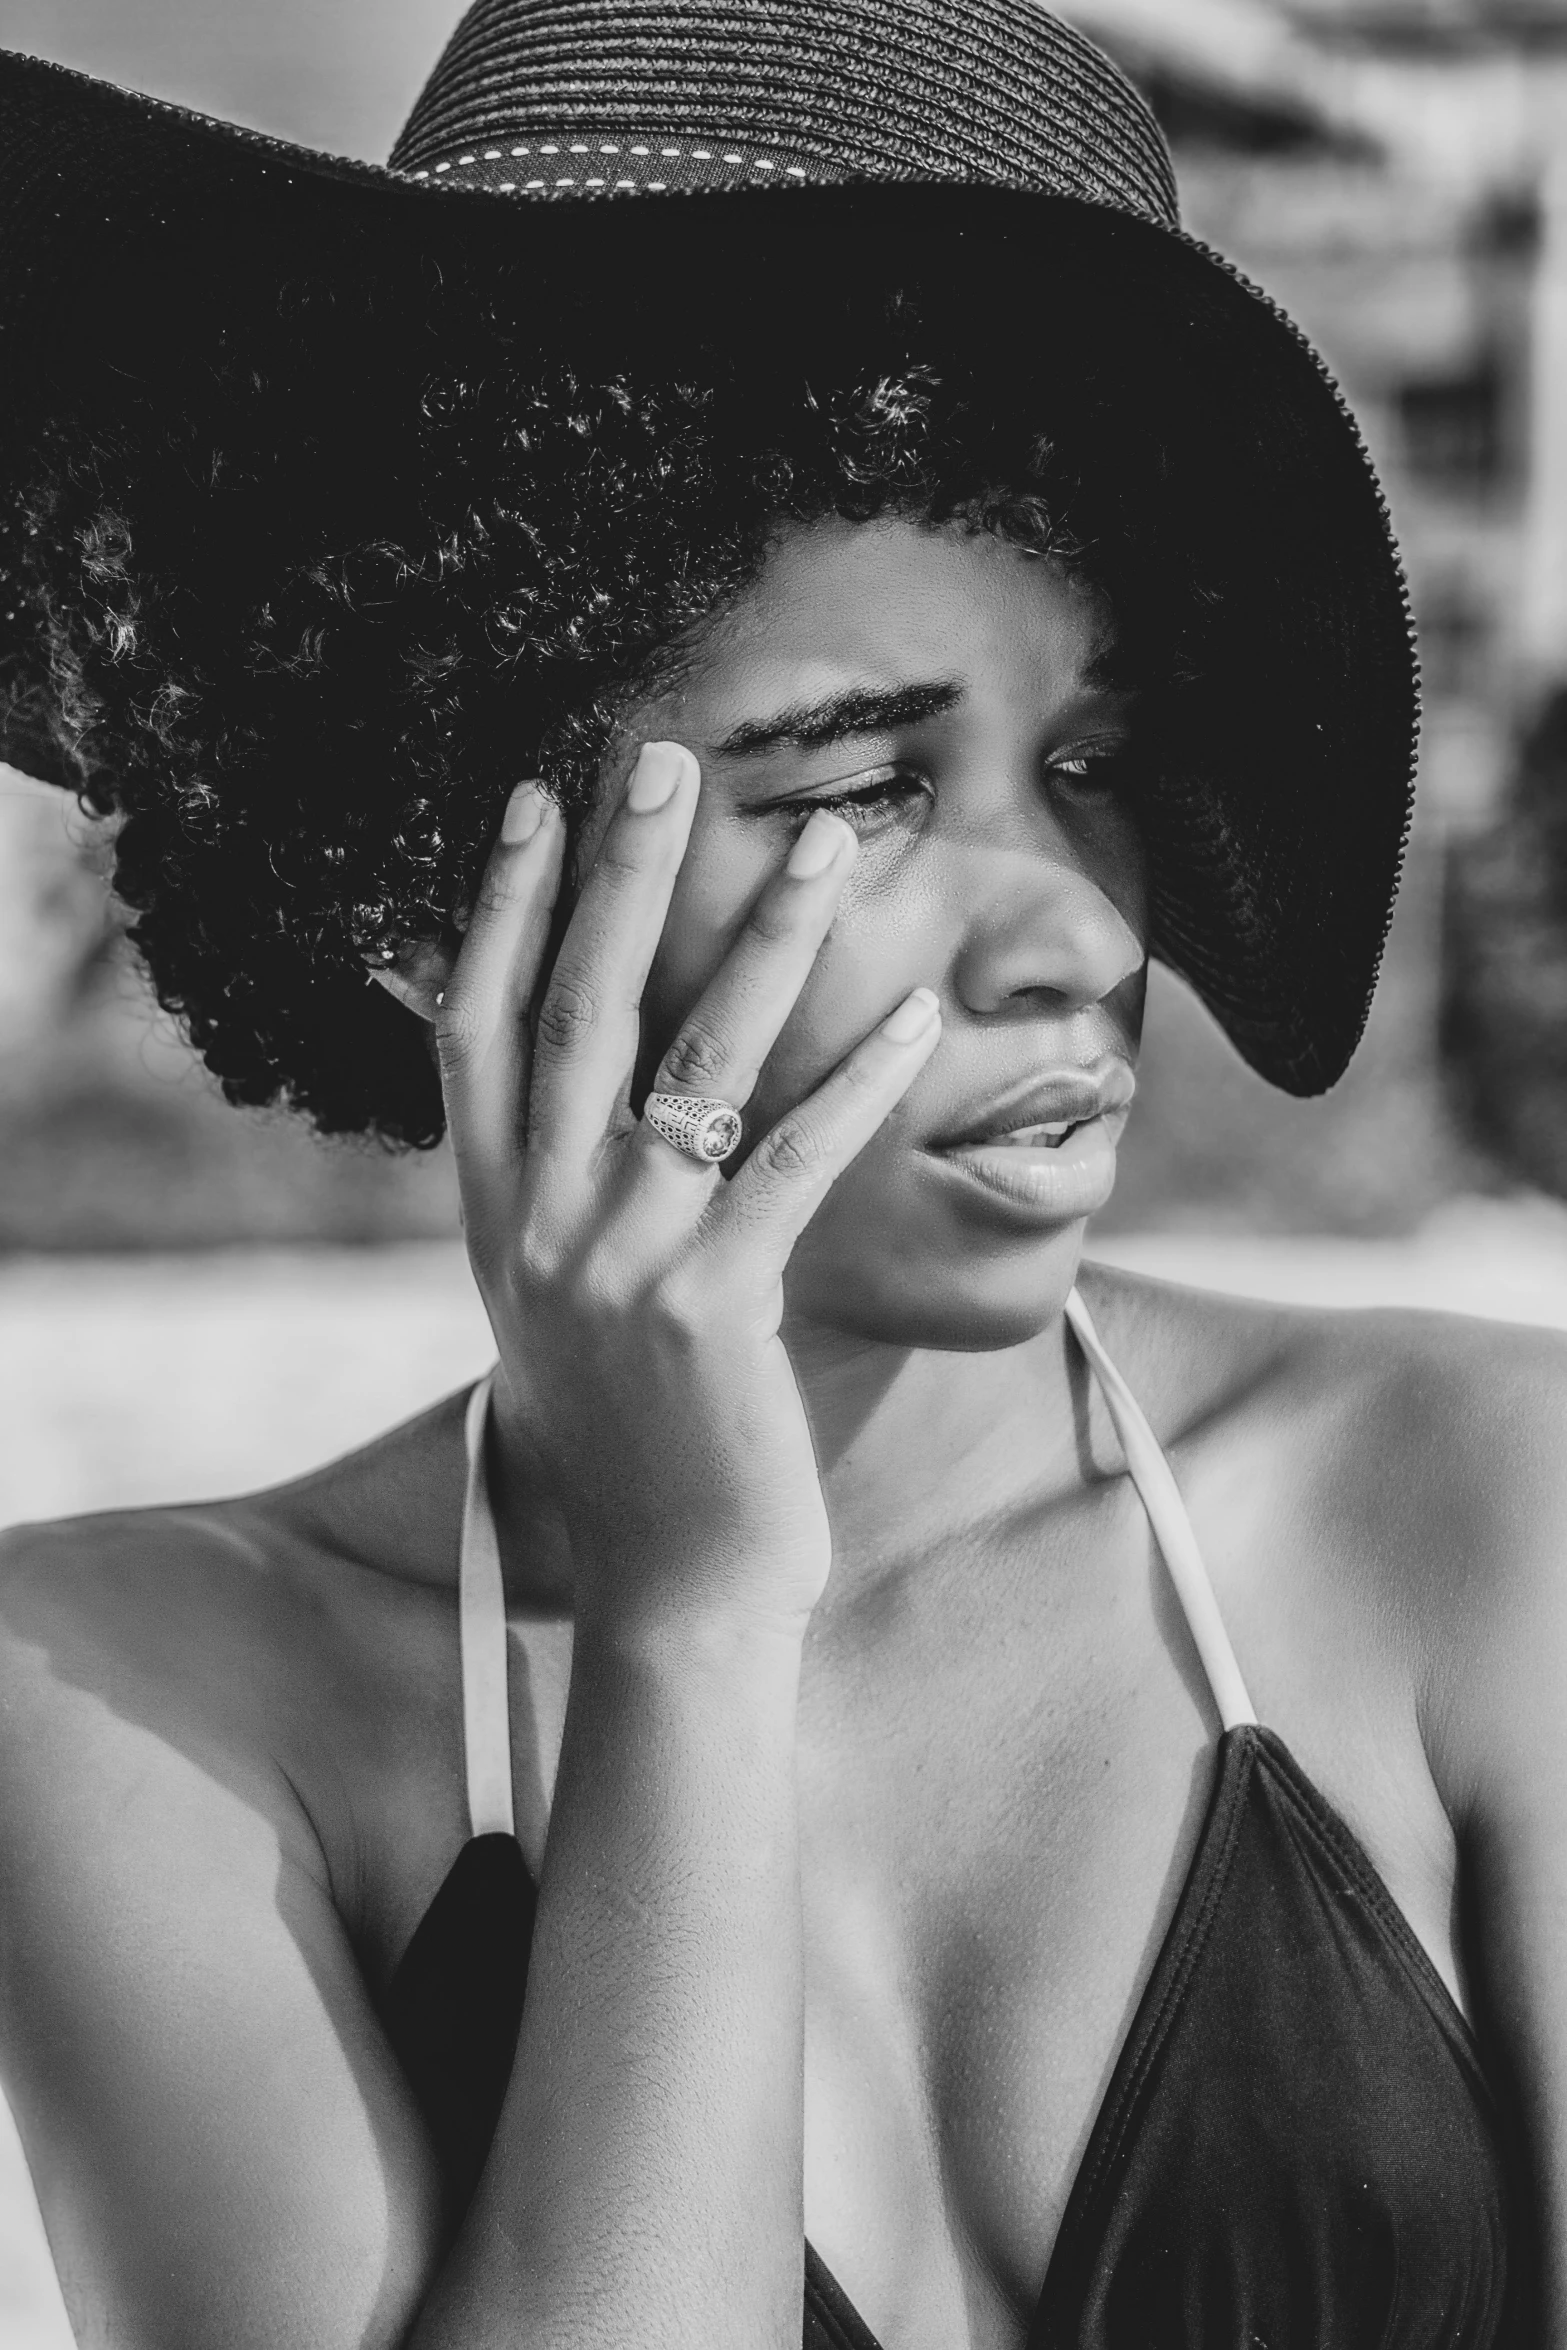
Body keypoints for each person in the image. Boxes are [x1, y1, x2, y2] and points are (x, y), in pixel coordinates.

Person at [0, 3, 1557, 2345]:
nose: (1074, 934)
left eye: (1100, 757)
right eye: (858, 785)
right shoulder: (125, 1703)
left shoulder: (1484, 1511)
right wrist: (693, 1610)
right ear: (435, 894)